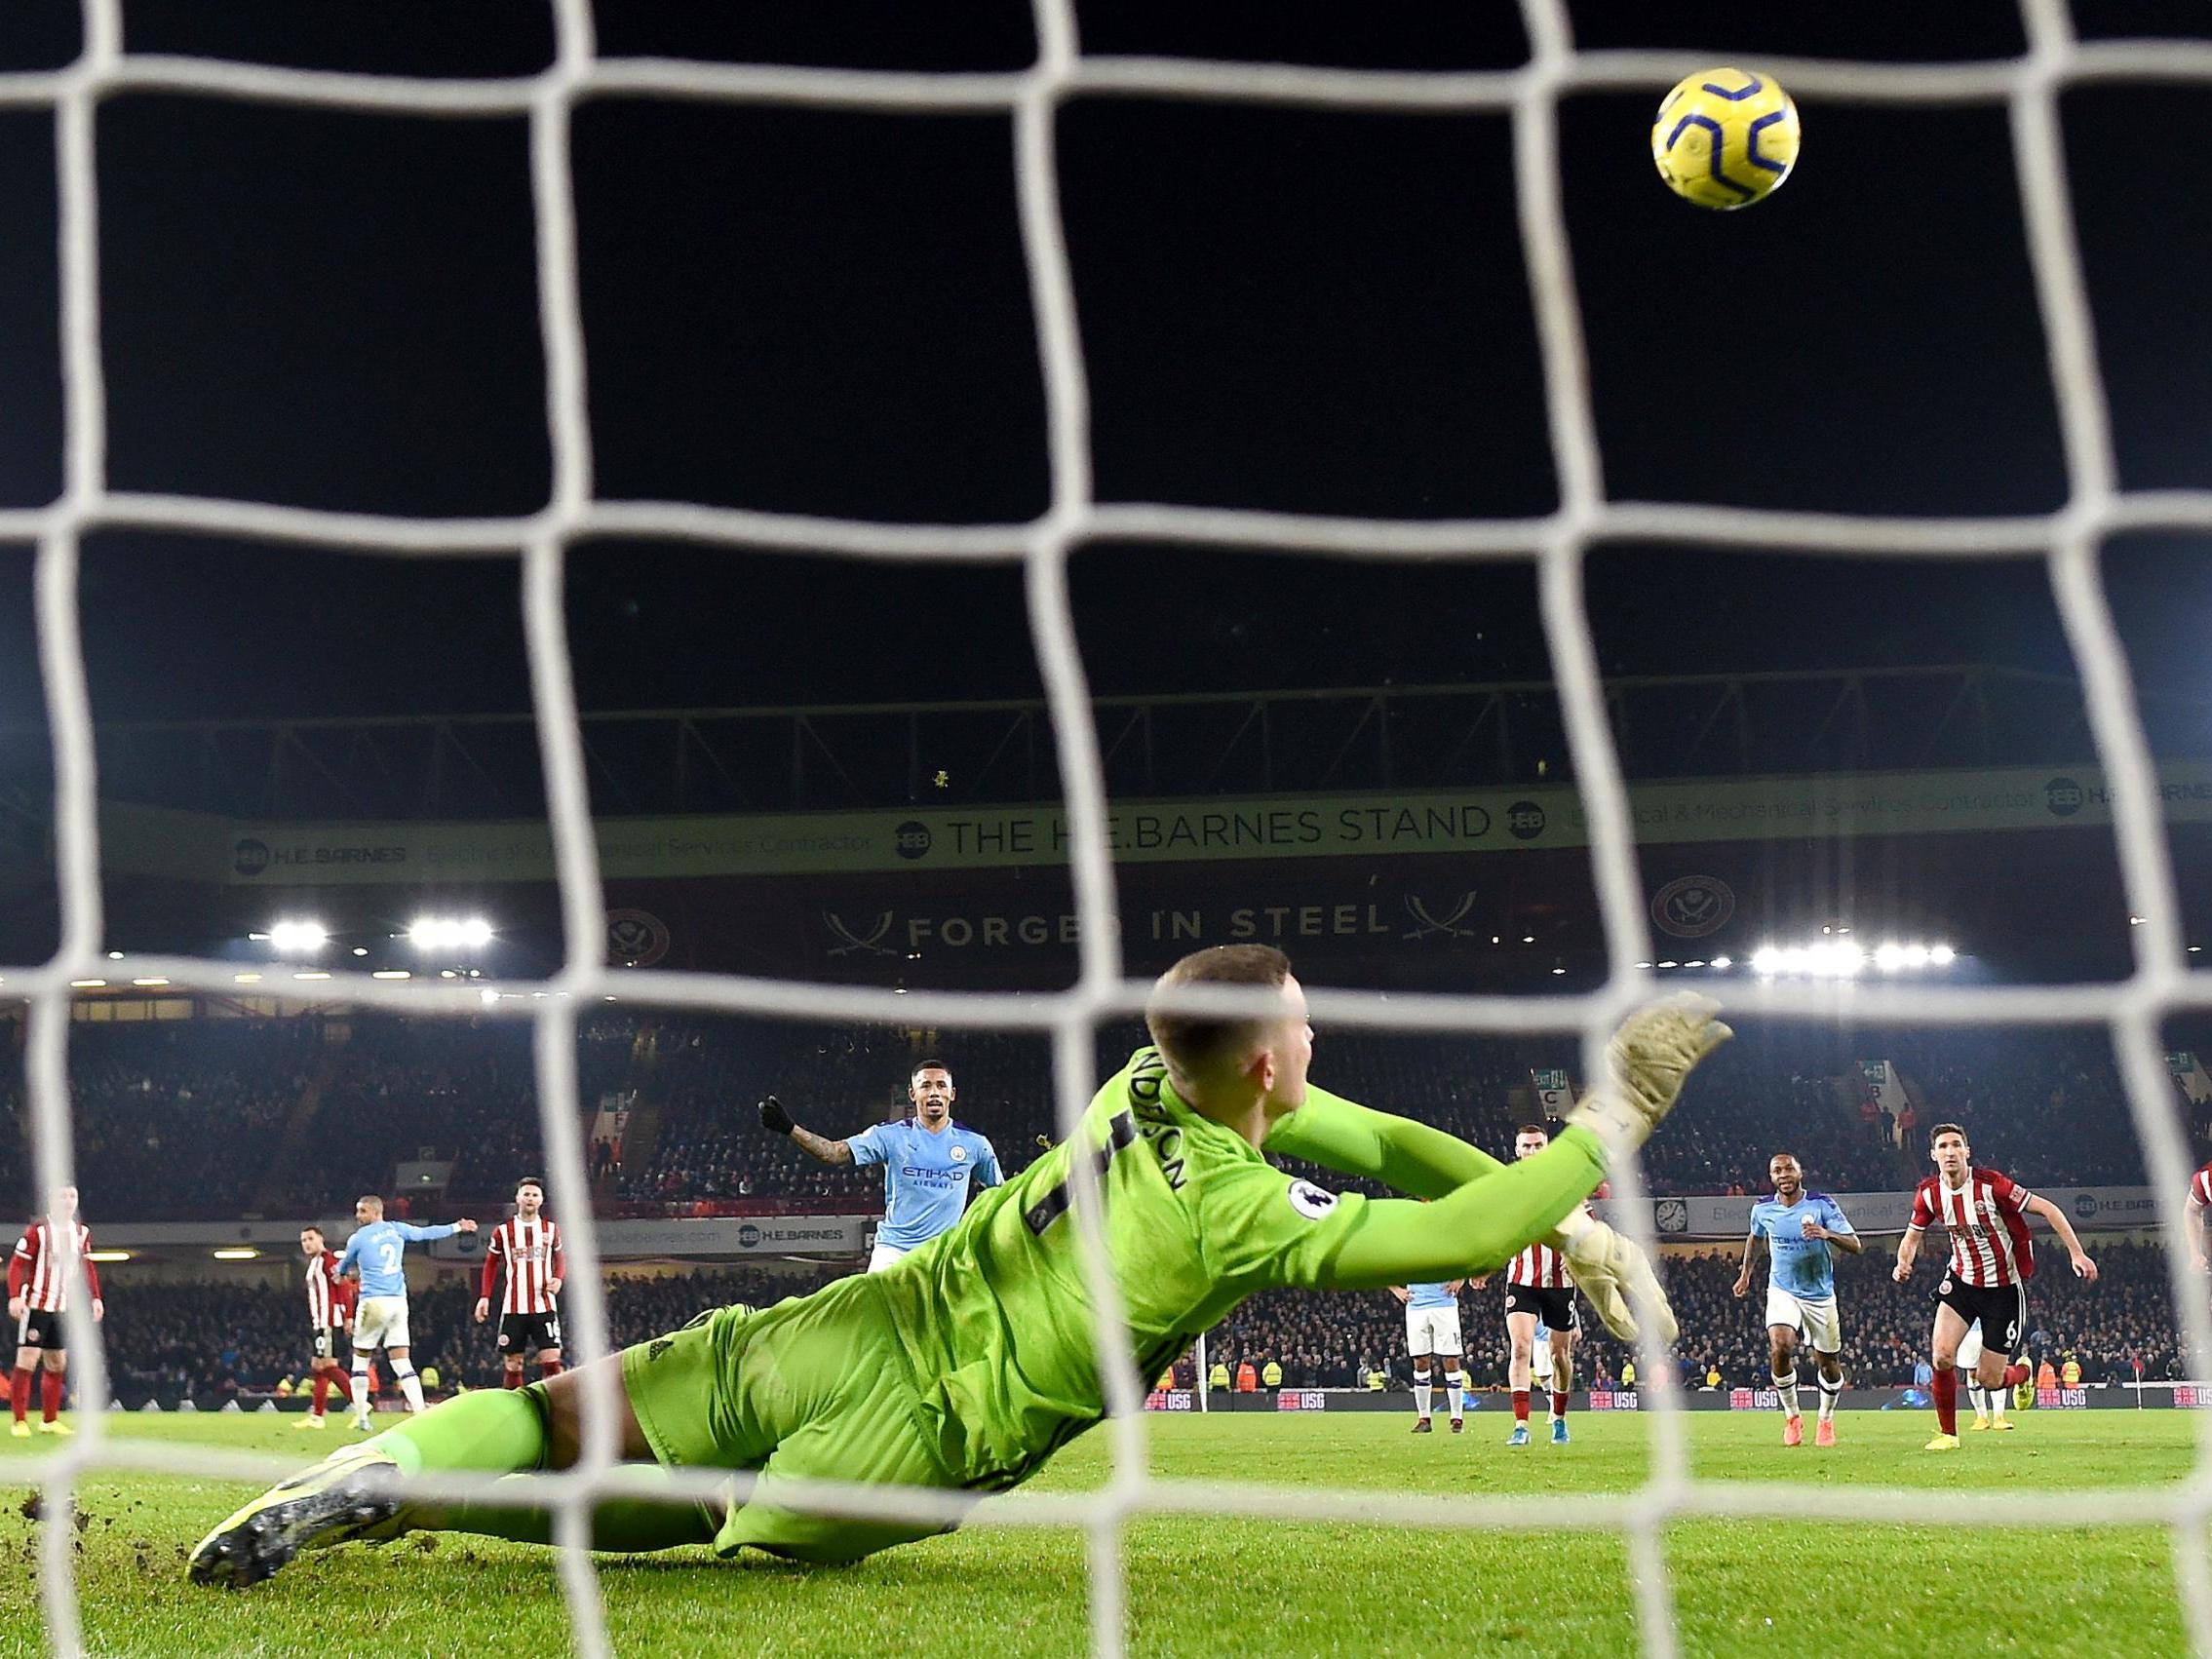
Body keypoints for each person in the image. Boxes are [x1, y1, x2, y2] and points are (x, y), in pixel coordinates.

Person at [187, 948, 1725, 1587]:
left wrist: (1569, 1225)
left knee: (573, 1412)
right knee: (714, 1532)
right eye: (1303, 1030)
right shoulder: (1239, 1209)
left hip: (864, 1311)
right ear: (1266, 1066)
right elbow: (1442, 1224)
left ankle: (381, 1465)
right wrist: (1605, 1132)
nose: (1315, 1045)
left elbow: (1390, 1144)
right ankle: (438, 1496)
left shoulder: (1150, 1083)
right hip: (931, 1424)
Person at [1893, 1124, 2098, 1451]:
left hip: (2002, 1290)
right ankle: (1948, 1434)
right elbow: (1911, 1237)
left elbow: (2048, 1208)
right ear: (1933, 1154)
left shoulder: (1992, 1186)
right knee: (1942, 1356)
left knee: (1988, 1379)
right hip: (1961, 1283)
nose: (1949, 1151)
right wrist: (1903, 1263)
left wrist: (2077, 1252)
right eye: (1943, 1146)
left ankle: (2021, 1375)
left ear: (1967, 1152)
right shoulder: (1929, 1194)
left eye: (1956, 1145)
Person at [761, 1061, 1004, 1271]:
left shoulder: (975, 1144)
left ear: (952, 1093)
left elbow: (1001, 1194)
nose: (934, 1092)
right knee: (871, 1319)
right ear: (912, 1094)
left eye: (941, 1085)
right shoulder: (889, 1136)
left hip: (945, 1254)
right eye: (925, 1086)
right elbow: (833, 1153)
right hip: (894, 1251)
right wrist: (790, 1129)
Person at [1731, 1152, 1860, 1447]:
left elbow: (1855, 1245)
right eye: (1777, 1170)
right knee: (1780, 1346)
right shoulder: (1762, 1209)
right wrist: (1746, 1274)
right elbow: (1756, 1238)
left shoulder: (1821, 1204)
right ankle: (1792, 1416)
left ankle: (1825, 1419)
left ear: (1800, 1172)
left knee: (1828, 1363)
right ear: (1771, 1177)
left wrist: (1826, 1234)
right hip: (1781, 1289)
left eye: (1789, 1168)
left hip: (1819, 1295)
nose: (1784, 1174)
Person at [336, 1195, 478, 1433]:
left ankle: (362, 1417)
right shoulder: (397, 1229)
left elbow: (343, 1268)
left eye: (361, 1211)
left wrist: (342, 1274)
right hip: (398, 1303)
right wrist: (456, 1227)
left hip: (373, 1302)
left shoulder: (358, 1238)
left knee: (360, 1359)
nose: (357, 1216)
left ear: (374, 1211)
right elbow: (426, 1233)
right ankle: (420, 1412)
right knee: (402, 1360)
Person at [1494, 1124, 1588, 1447]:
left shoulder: (1567, 1183)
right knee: (1520, 1349)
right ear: (1517, 1150)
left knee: (1559, 1355)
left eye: (1538, 1146)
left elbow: (1585, 1227)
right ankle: (1521, 1425)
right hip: (1521, 1280)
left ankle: (1559, 1419)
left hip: (1560, 1284)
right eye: (1527, 1146)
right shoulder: (1506, 1186)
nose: (1532, 1151)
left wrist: (1575, 1254)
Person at [8, 1186, 100, 1439]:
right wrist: (15, 1296)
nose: (68, 1201)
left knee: (57, 1362)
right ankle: (19, 1421)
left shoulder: (81, 1233)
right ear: (52, 1200)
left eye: (72, 1196)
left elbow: (87, 1267)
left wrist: (95, 1298)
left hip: (63, 1307)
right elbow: (17, 1264)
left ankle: (49, 1420)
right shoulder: (38, 1230)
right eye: (63, 1196)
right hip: (37, 1305)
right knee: (27, 1359)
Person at [474, 1178, 566, 1391]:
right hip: (514, 1307)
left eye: (534, 1195)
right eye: (526, 1194)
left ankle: (556, 1410)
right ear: (518, 1198)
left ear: (541, 1200)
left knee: (551, 1359)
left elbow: (560, 1258)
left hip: (544, 1305)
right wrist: (485, 1296)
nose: (530, 1199)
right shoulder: (503, 1232)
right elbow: (490, 1264)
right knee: (513, 1364)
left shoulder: (551, 1230)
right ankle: (515, 1410)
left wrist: (558, 1278)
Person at [295, 1225, 358, 1431]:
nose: (306, 1243)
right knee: (318, 1368)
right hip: (320, 1323)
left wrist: (349, 1317)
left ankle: (360, 1405)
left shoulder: (328, 1261)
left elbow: (345, 1286)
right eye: (304, 1240)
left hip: (329, 1322)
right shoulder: (314, 1263)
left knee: (328, 1367)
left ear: (320, 1239)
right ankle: (317, 1417)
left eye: (310, 1239)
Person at [1389, 1276, 1466, 1434]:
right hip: (1416, 1307)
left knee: (1451, 1359)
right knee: (1420, 1362)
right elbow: (1383, 1266)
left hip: (1445, 1305)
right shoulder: (1406, 1251)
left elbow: (1467, 1257)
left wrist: (1460, 1280)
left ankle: (1456, 1418)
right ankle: (1424, 1418)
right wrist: (1396, 1289)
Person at [1955, 1318, 2011, 1431]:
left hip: (1992, 1326)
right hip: (1968, 1330)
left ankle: (1999, 1417)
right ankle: (1981, 1417)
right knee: (1972, 1374)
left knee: (1995, 1369)